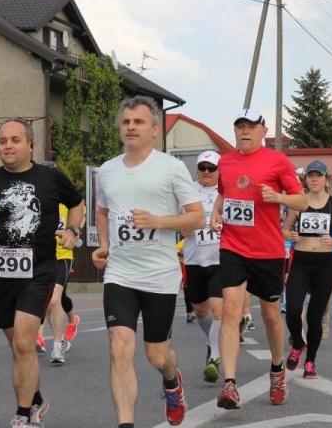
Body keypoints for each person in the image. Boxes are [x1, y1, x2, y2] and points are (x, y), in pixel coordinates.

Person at [91, 96, 204, 428]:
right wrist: (104, 246)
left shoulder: (171, 167)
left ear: (155, 129)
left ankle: (172, 380)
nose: (131, 127)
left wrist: (158, 221)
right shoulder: (107, 170)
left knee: (157, 356)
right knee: (119, 348)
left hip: (160, 276)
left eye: (138, 122)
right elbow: (102, 212)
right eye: (126, 122)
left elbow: (197, 217)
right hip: (120, 274)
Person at [0, 119, 85, 428]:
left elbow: (77, 203)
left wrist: (73, 230)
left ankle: (23, 415)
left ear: (30, 145)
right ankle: (36, 400)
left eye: (15, 140)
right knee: (17, 346)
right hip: (2, 272)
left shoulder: (50, 177)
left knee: (23, 343)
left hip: (39, 269)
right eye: (3, 140)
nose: (8, 145)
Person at [209, 107, 308, 410]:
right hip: (233, 246)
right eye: (240, 126)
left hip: (267, 250)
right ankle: (229, 383)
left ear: (264, 132)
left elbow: (302, 201)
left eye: (251, 126)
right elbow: (224, 193)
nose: (245, 131)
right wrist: (215, 213)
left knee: (270, 315)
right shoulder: (225, 161)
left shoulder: (277, 161)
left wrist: (279, 198)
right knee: (230, 311)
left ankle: (277, 370)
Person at [282, 160, 332, 379]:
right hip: (301, 261)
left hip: (325, 264)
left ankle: (310, 361)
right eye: (311, 176)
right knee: (292, 309)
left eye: (318, 175)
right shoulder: (298, 202)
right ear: (306, 179)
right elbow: (284, 229)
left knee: (314, 316)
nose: (314, 179)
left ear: (326, 179)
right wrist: (290, 234)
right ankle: (298, 343)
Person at [180, 150, 225, 383]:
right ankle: (215, 339)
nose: (206, 172)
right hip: (194, 259)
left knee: (218, 310)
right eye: (202, 168)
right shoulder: (187, 192)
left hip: (220, 259)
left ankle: (214, 357)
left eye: (211, 168)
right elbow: (176, 220)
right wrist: (182, 228)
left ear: (219, 171)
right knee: (200, 311)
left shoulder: (225, 193)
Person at [35, 203, 80, 364]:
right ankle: (61, 340)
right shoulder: (40, 201)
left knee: (55, 300)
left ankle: (57, 347)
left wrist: (75, 232)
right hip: (44, 257)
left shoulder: (66, 203)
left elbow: (79, 216)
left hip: (63, 256)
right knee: (47, 303)